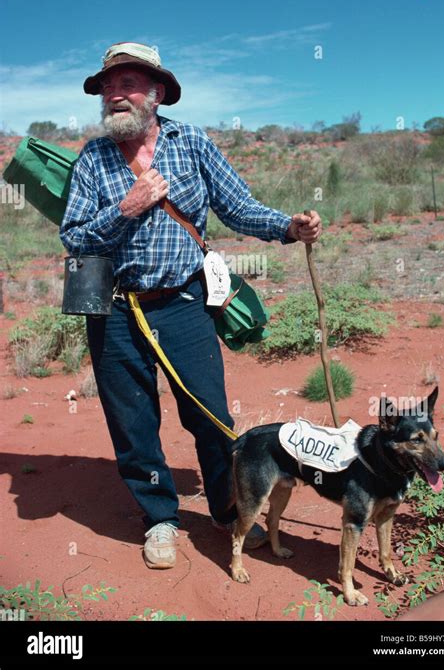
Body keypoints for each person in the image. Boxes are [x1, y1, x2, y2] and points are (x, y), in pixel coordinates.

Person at [60, 42, 322, 569]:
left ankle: (229, 513)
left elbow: (237, 206)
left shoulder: (192, 143)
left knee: (210, 415)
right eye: (109, 86)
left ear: (156, 94)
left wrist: (286, 227)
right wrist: (125, 209)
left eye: (128, 84)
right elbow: (75, 237)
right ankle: (159, 517)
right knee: (132, 422)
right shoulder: (93, 158)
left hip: (182, 302)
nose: (116, 95)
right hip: (112, 310)